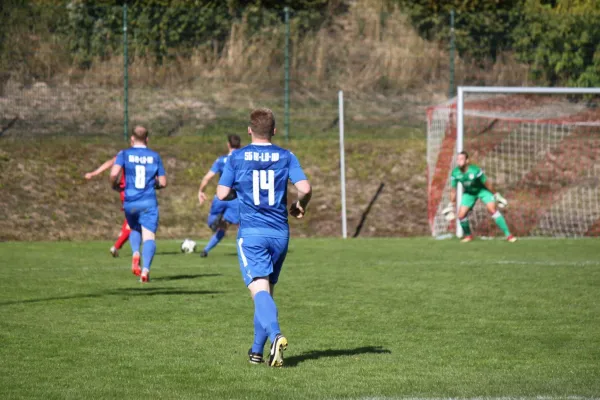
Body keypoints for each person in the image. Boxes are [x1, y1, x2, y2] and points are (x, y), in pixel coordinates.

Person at [216, 108, 311, 367]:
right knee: (266, 292)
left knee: (259, 291)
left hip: (252, 234)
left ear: (249, 130)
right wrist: (301, 205)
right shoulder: (286, 156)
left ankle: (276, 335)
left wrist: (238, 193)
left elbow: (222, 194)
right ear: (274, 130)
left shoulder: (237, 157)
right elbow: (305, 188)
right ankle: (257, 351)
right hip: (280, 233)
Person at [109, 126, 167, 282]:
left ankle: (136, 253)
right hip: (148, 202)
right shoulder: (155, 156)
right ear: (147, 139)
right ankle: (145, 271)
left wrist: (114, 185)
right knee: (149, 236)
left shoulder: (124, 154)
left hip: (130, 202)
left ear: (132, 139)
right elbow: (163, 182)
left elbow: (114, 173)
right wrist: (155, 184)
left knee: (134, 227)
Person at [446, 151, 516, 242]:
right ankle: (468, 236)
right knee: (461, 216)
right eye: (458, 159)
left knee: (492, 210)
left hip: (482, 191)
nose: (459, 161)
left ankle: (509, 235)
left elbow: (487, 183)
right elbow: (453, 190)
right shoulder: (455, 173)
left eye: (461, 159)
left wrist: (496, 195)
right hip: (469, 193)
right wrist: (451, 204)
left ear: (467, 161)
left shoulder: (475, 170)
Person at [197, 134, 242, 257]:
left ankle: (206, 250)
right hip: (235, 199)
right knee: (241, 227)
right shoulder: (244, 160)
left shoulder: (221, 160)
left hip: (220, 197)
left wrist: (201, 191)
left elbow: (207, 177)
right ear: (240, 145)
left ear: (228, 144)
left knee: (215, 224)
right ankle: (245, 252)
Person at [84, 147, 132, 257]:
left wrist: (94, 173)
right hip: (133, 193)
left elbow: (111, 162)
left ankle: (122, 233)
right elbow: (113, 168)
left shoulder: (125, 153)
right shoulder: (145, 155)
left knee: (130, 219)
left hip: (125, 192)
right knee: (134, 223)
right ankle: (117, 245)